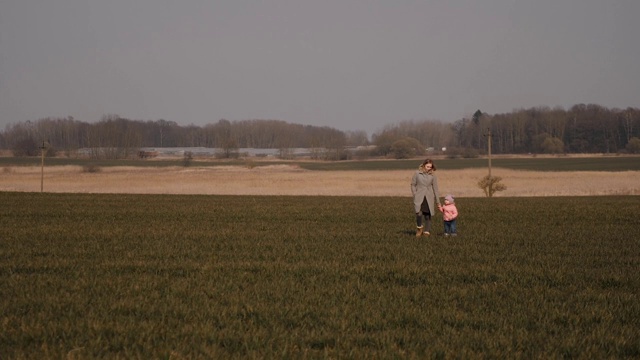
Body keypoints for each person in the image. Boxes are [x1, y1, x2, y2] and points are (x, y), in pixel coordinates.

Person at [411, 159, 441, 237]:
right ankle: (419, 228)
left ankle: (427, 231)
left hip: (429, 196)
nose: (429, 168)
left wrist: (438, 202)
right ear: (424, 165)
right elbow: (413, 184)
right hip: (419, 196)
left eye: (430, 167)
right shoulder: (417, 173)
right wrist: (415, 193)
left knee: (427, 215)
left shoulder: (433, 176)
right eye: (427, 166)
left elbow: (435, 189)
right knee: (419, 213)